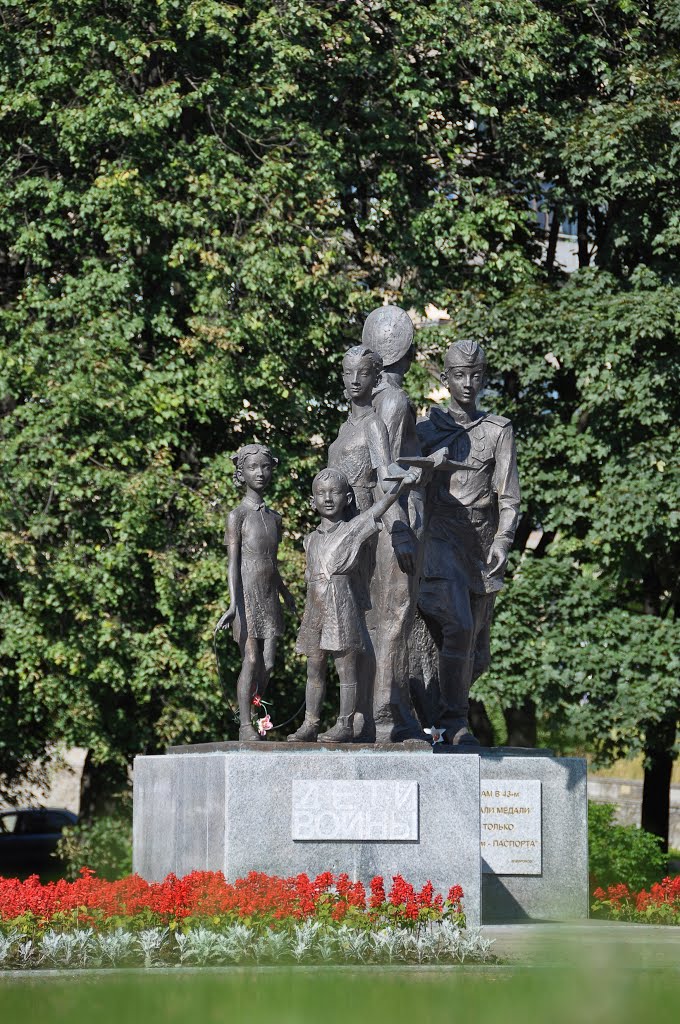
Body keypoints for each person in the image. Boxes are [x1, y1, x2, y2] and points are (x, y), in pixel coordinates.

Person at [416, 339, 520, 745]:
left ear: (484, 379)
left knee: (476, 651)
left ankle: (438, 716)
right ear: (446, 378)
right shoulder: (424, 432)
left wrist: (504, 540)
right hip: (438, 538)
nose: (467, 383)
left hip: (479, 548)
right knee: (458, 625)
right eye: (459, 375)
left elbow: (508, 496)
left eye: (475, 376)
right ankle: (453, 720)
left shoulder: (498, 431)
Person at [288, 465, 419, 743]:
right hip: (315, 607)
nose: (327, 498)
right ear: (312, 502)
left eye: (334, 492)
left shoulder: (352, 529)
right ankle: (310, 722)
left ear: (347, 498)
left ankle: (345, 723)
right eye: (320, 493)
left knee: (344, 666)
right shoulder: (309, 540)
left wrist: (401, 485)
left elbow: (378, 509)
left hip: (341, 603)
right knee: (314, 666)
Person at [362, 306, 425, 740]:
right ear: (409, 352)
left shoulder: (376, 400)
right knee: (395, 617)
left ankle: (385, 711)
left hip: (386, 522)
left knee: (387, 617)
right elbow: (385, 469)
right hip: (396, 524)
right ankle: (389, 716)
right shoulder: (394, 401)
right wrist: (399, 526)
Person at [216, 444, 296, 740]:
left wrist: (285, 594)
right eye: (252, 468)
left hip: (269, 594)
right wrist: (233, 604)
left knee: (270, 662)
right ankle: (245, 724)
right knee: (251, 659)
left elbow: (272, 564)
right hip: (246, 594)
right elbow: (233, 564)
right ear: (241, 473)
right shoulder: (237, 516)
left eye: (264, 467)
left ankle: (258, 715)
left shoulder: (274, 518)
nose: (259, 473)